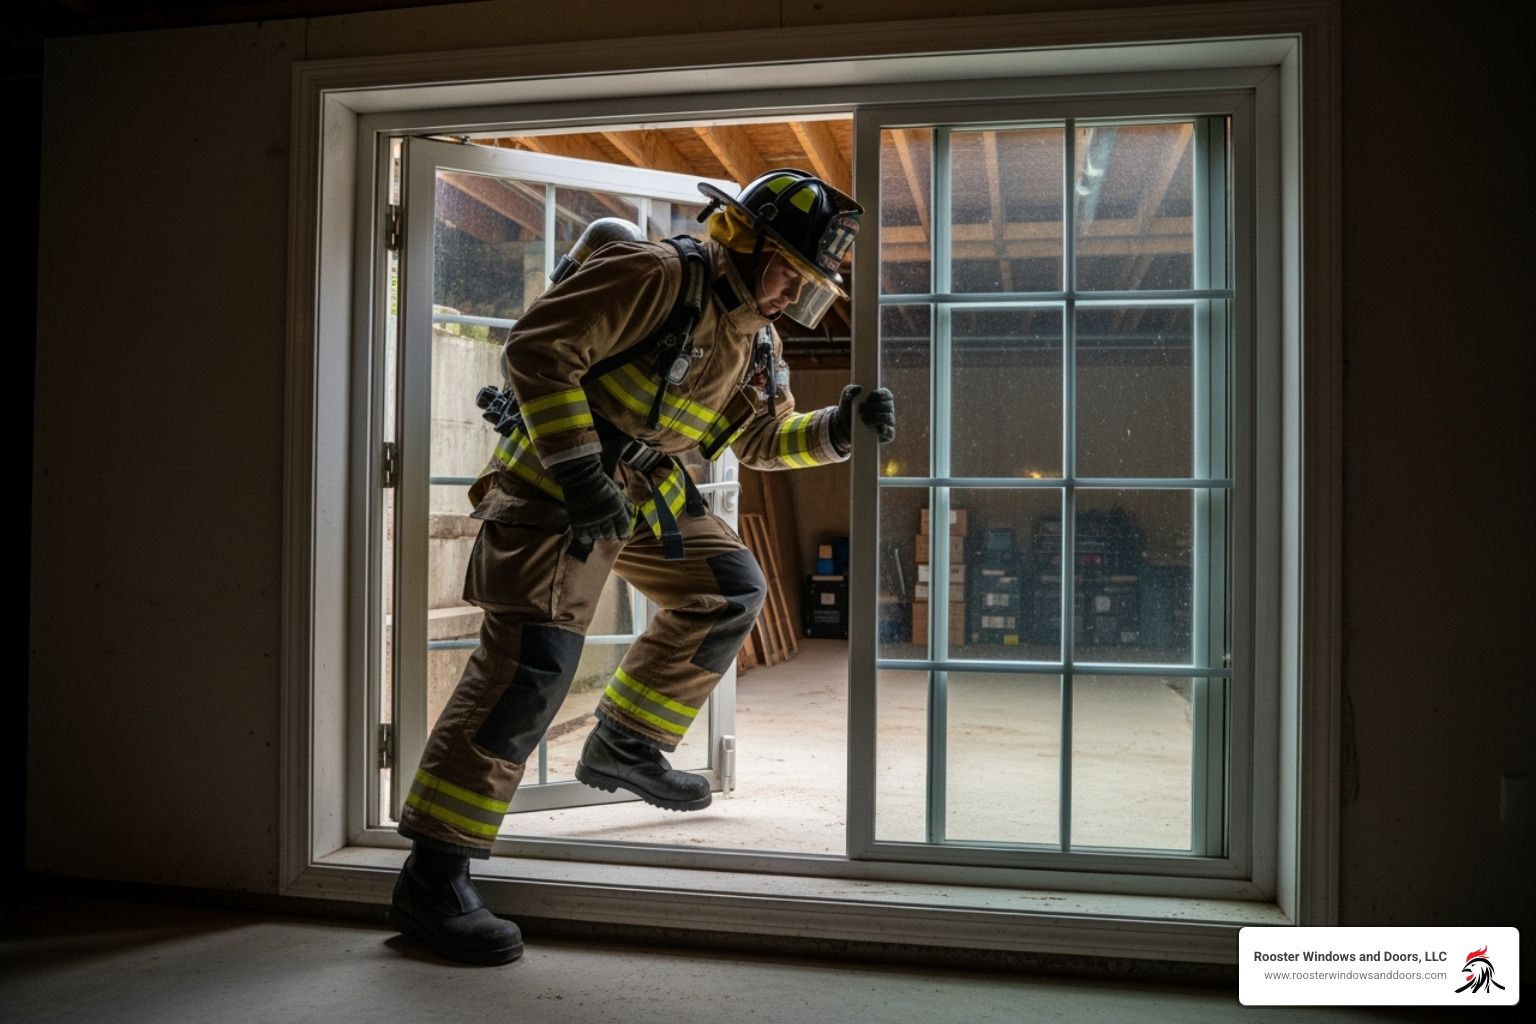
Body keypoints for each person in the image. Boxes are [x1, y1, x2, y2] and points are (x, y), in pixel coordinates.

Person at [387, 168, 897, 965]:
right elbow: (537, 348)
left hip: (639, 490)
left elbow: (762, 440)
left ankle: (623, 743)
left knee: (730, 587)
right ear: (744, 240)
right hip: (557, 481)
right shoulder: (657, 274)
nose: (789, 298)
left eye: (806, 288)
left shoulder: (754, 338)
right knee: (528, 671)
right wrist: (585, 475)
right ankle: (433, 877)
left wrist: (838, 426)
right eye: (786, 275)